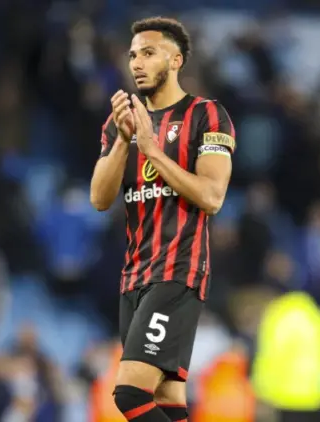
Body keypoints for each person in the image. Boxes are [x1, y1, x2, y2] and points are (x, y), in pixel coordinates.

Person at [90, 16, 236, 422]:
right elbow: (100, 199)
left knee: (129, 394)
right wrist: (123, 139)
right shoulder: (121, 124)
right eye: (133, 54)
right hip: (134, 276)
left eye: (149, 53)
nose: (136, 63)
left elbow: (212, 196)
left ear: (176, 60)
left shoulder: (207, 116)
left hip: (178, 272)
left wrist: (153, 150)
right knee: (167, 401)